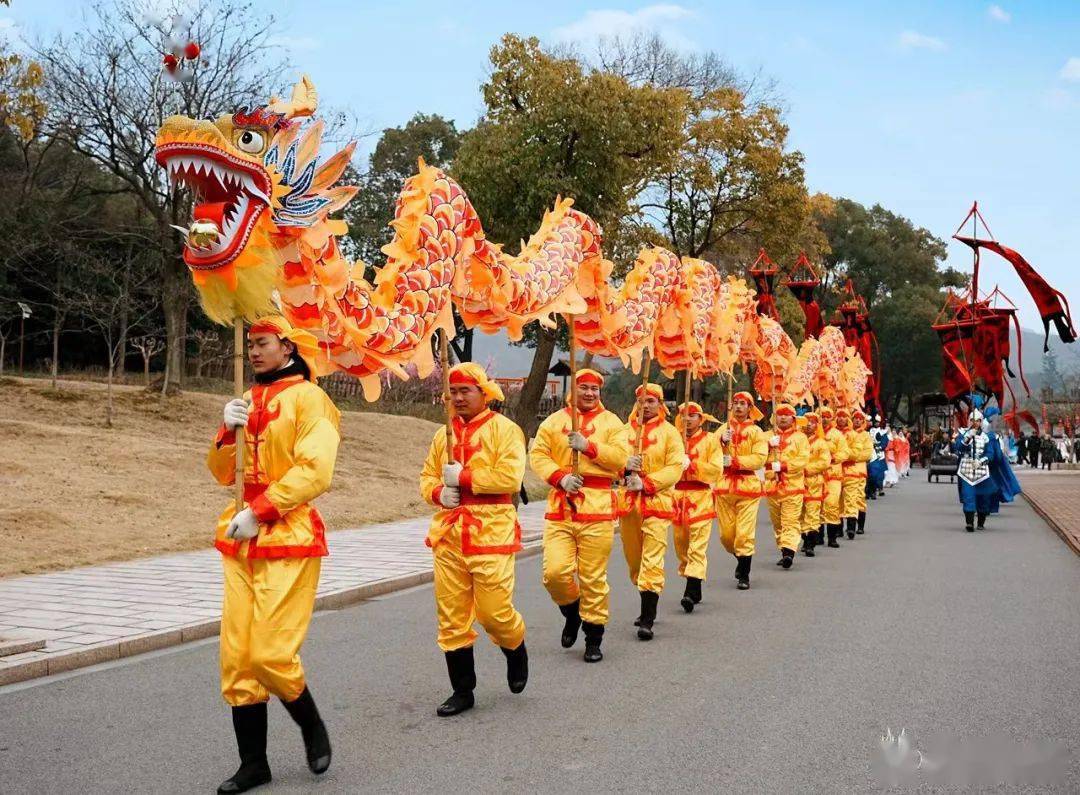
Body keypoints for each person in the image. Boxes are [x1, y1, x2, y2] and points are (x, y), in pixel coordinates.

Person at [209, 315, 338, 794]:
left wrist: (263, 510)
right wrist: (225, 431)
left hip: (288, 533)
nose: (254, 352)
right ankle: (253, 764)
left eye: (262, 343)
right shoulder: (245, 399)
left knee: (269, 652)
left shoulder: (311, 399)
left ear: (286, 346)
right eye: (251, 345)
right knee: (238, 657)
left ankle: (310, 722)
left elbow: (316, 469)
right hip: (240, 536)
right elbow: (223, 474)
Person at [420, 363, 528, 717]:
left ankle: (514, 646)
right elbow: (425, 478)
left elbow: (510, 477)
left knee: (494, 614)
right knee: (451, 617)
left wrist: (464, 477)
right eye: (452, 391)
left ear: (485, 393)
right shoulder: (443, 435)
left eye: (465, 391)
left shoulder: (506, 430)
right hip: (449, 534)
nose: (458, 397)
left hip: (491, 532)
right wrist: (439, 492)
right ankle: (462, 690)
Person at [529, 368, 629, 663]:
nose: (588, 393)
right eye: (583, 387)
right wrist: (559, 476)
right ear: (573, 389)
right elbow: (538, 455)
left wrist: (589, 447)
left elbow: (621, 459)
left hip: (597, 508)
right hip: (561, 507)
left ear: (600, 392)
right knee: (554, 574)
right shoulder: (555, 421)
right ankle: (572, 611)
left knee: (593, 577)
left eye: (594, 389)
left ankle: (593, 637)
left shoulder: (612, 423)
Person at [618, 383, 685, 640]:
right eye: (642, 401)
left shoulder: (670, 434)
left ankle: (647, 617)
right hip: (628, 505)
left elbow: (674, 467)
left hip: (657, 504)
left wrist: (647, 483)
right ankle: (645, 594)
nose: (646, 406)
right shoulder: (623, 432)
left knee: (652, 560)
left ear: (660, 405)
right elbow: (611, 460)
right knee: (634, 560)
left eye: (651, 401)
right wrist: (624, 468)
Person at [671, 401, 723, 612]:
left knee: (697, 547)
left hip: (700, 496)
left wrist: (693, 465)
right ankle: (695, 583)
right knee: (681, 546)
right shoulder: (674, 439)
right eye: (683, 415)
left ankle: (690, 591)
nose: (687, 419)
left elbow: (716, 470)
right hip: (677, 498)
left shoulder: (711, 441)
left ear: (701, 419)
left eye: (692, 415)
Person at [715, 391, 769, 589]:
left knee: (744, 534)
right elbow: (709, 452)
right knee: (727, 537)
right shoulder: (722, 429)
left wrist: (736, 462)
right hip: (724, 488)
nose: (738, 407)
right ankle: (740, 557)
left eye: (743, 404)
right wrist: (720, 441)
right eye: (735, 403)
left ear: (749, 408)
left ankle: (744, 574)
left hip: (748, 489)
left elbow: (760, 458)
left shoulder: (756, 432)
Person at [952, 409, 1021, 531]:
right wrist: (968, 438)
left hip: (982, 470)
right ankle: (969, 523)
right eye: (972, 420)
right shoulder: (963, 434)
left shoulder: (987, 437)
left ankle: (981, 521)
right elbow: (958, 448)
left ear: (981, 422)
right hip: (966, 470)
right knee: (969, 496)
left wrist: (981, 461)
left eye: (977, 421)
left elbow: (991, 454)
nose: (975, 423)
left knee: (984, 498)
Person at [764, 403, 810, 569]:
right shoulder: (767, 436)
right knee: (778, 523)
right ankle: (783, 548)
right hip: (772, 486)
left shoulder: (800, 438)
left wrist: (784, 466)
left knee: (790, 520)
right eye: (779, 414)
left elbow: (803, 459)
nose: (783, 417)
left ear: (793, 418)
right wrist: (768, 446)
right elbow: (757, 456)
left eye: (786, 414)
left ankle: (789, 551)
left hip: (793, 486)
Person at [798, 411, 830, 558]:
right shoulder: (797, 440)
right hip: (797, 483)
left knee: (812, 513)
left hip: (814, 483)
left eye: (812, 422)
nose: (809, 424)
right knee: (800, 514)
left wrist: (807, 469)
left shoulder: (821, 443)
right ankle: (804, 540)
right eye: (807, 421)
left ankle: (810, 544)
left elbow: (824, 462)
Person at [838, 408, 873, 539]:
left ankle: (859, 526)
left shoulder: (865, 436)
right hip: (840, 470)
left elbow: (867, 454)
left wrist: (848, 457)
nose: (857, 420)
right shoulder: (843, 433)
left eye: (860, 419)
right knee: (839, 499)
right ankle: (839, 528)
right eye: (855, 418)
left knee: (858, 498)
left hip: (858, 471)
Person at [819, 407, 850, 549]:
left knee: (831, 504)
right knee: (816, 506)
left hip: (833, 475)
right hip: (817, 474)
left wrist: (833, 458)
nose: (824, 419)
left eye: (827, 416)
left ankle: (832, 537)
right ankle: (816, 536)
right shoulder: (813, 434)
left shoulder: (837, 435)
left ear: (831, 418)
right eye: (821, 416)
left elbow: (845, 452)